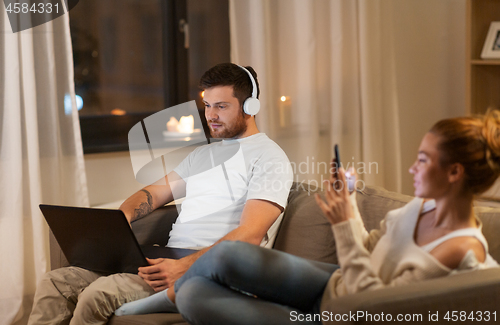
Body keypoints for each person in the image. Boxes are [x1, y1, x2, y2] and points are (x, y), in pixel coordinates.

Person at [137, 110, 500, 324]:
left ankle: (169, 295)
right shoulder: (422, 208)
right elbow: (371, 249)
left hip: (341, 315)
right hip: (335, 284)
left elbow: (368, 306)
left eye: (423, 160)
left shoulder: (461, 250)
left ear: (454, 172)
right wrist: (349, 210)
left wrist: (343, 223)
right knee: (226, 254)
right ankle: (166, 293)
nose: (412, 168)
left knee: (194, 297)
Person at [28, 63, 293, 325]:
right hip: (166, 260)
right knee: (57, 282)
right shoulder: (202, 155)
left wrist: (185, 266)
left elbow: (250, 235)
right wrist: (120, 220)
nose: (210, 115)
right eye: (208, 105)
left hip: (210, 273)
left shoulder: (269, 158)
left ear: (250, 107)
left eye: (221, 106)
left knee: (97, 295)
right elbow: (153, 193)